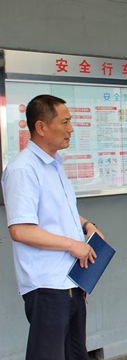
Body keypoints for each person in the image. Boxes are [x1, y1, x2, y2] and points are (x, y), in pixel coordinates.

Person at [2, 94, 105, 360]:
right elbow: (20, 229)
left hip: (71, 280)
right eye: (65, 122)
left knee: (75, 354)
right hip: (47, 285)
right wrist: (72, 245)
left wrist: (87, 225)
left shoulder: (55, 164)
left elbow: (61, 212)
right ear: (41, 127)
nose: (71, 128)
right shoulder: (23, 169)